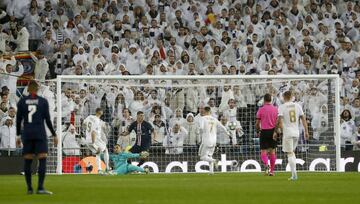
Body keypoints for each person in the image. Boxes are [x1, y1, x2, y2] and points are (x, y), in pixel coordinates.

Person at [15, 80, 57, 195]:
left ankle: (29, 188)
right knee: (42, 158)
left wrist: (18, 136)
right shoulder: (43, 101)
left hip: (27, 133)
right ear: (37, 89)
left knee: (28, 159)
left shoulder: (22, 102)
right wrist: (54, 134)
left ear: (28, 89)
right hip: (40, 133)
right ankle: (40, 188)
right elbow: (48, 120)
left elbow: (18, 120)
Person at [277, 91, 309, 181]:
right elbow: (303, 119)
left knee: (290, 153)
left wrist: (279, 130)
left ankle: (294, 175)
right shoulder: (298, 106)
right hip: (297, 132)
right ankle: (294, 174)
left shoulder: (282, 107)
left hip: (288, 132)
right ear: (291, 97)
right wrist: (306, 131)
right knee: (292, 152)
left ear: (283, 97)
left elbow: (280, 121)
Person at [199, 106, 230, 174]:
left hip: (206, 140)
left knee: (202, 157)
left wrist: (200, 133)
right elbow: (222, 127)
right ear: (210, 111)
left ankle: (214, 161)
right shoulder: (214, 119)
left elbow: (201, 128)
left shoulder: (202, 118)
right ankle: (211, 171)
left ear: (204, 111)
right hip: (214, 141)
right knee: (209, 155)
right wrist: (227, 133)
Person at [255, 93, 278, 176]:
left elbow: (257, 123)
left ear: (264, 100)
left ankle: (266, 164)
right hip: (273, 131)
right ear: (271, 100)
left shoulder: (261, 109)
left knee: (263, 152)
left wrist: (258, 131)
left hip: (264, 131)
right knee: (272, 151)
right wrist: (276, 132)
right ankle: (272, 171)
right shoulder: (275, 109)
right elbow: (278, 122)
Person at [83, 108, 110, 173]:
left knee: (98, 153)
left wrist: (86, 132)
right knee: (105, 150)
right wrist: (93, 143)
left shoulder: (89, 117)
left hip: (87, 139)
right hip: (95, 139)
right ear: (101, 112)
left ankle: (99, 169)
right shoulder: (97, 121)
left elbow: (83, 124)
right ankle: (107, 167)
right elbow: (93, 132)